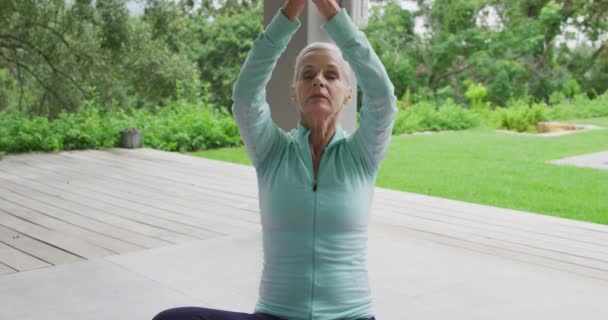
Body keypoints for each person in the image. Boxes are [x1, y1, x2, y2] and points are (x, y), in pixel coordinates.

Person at [152, 0, 396, 319]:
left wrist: (331, 13)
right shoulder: (272, 152)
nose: (319, 81)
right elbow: (245, 97)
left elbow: (382, 98)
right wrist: (291, 10)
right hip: (276, 315)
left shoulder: (361, 155)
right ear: (293, 92)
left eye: (332, 75)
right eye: (307, 75)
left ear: (348, 94)